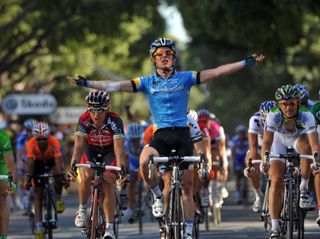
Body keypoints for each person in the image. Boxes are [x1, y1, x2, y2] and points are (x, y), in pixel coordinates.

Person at [68, 37, 264, 238]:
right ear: (153, 59)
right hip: (160, 136)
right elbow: (115, 86)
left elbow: (215, 73)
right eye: (159, 54)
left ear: (173, 58)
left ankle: (187, 231)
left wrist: (243, 63)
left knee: (187, 187)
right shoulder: (145, 82)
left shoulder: (185, 78)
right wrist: (88, 84)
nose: (164, 57)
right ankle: (157, 197)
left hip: (182, 135)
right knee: (145, 159)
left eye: (168, 53)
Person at [260, 84, 320, 239]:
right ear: (279, 104)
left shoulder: (307, 115)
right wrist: (264, 159)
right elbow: (266, 142)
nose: (288, 108)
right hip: (278, 141)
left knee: (306, 147)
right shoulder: (273, 115)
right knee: (276, 179)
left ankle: (304, 188)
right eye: (284, 104)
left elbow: (314, 144)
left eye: (292, 103)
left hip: (297, 140)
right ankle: (275, 225)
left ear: (298, 102)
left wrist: (316, 158)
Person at [67, 90, 127, 239]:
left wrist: (121, 170)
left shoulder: (115, 120)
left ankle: (109, 227)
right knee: (86, 175)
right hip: (90, 150)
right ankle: (82, 209)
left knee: (108, 181)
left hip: (109, 151)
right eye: (92, 109)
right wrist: (73, 166)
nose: (96, 114)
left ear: (107, 108)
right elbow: (79, 146)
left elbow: (119, 150)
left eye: (100, 109)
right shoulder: (84, 119)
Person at [25, 122, 66, 239]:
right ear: (35, 138)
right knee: (38, 193)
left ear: (48, 137)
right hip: (37, 163)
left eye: (44, 139)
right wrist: (29, 178)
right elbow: (30, 164)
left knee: (58, 176)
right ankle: (39, 227)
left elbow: (58, 163)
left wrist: (60, 176)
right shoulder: (30, 144)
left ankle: (58, 199)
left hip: (51, 161)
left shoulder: (54, 142)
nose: (41, 142)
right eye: (39, 139)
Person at [243, 101, 277, 212]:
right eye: (265, 118)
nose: (267, 121)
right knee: (250, 163)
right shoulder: (255, 120)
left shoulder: (281, 118)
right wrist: (251, 165)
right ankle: (258, 195)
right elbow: (252, 146)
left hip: (275, 145)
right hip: (259, 145)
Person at [123, 122, 145, 223]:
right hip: (131, 161)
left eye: (137, 139)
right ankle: (131, 207)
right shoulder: (126, 142)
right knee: (131, 181)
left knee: (147, 177)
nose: (135, 141)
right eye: (133, 139)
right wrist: (127, 171)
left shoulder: (143, 142)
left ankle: (146, 201)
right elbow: (125, 157)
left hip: (142, 160)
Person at [15, 118, 37, 211]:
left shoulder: (39, 137)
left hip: (37, 160)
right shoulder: (21, 139)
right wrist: (20, 169)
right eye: (28, 130)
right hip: (25, 161)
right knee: (21, 173)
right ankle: (24, 197)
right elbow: (19, 154)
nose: (30, 133)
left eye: (32, 131)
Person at [0, 129, 17, 239]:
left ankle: (3, 236)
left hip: (1, 167)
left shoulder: (2, 137)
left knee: (1, 198)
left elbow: (10, 164)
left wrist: (12, 183)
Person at [231, 124, 249, 204]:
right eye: (240, 133)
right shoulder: (235, 139)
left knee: (247, 176)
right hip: (238, 159)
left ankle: (246, 192)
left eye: (242, 133)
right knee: (238, 176)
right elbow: (233, 150)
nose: (241, 134)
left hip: (246, 159)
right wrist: (234, 160)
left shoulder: (247, 140)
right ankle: (238, 194)